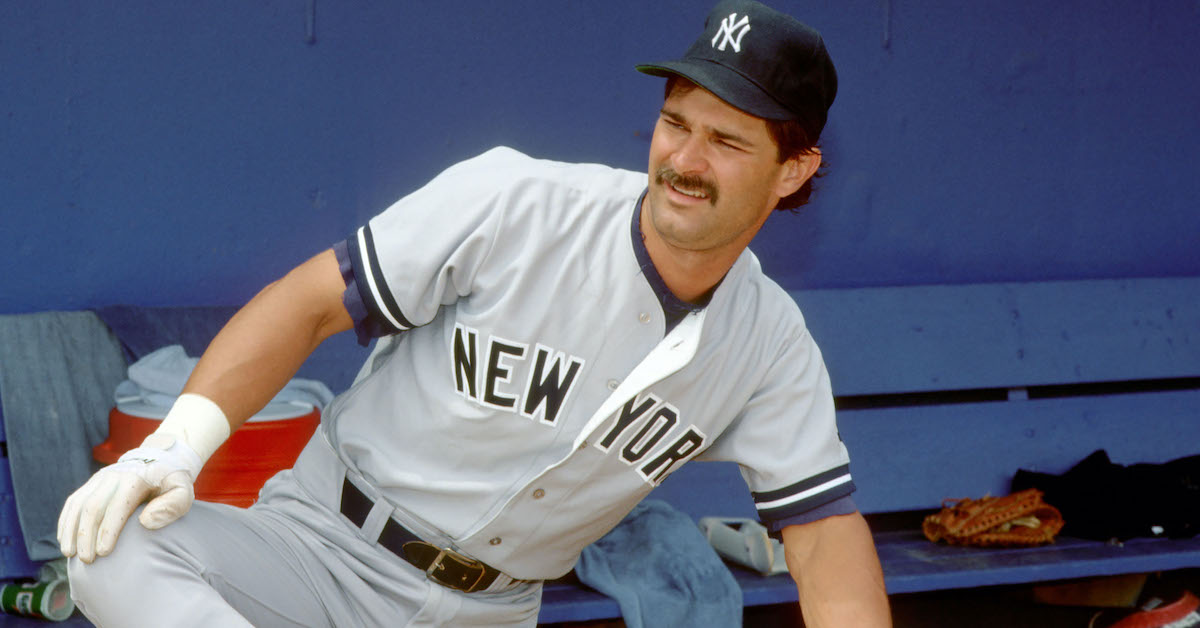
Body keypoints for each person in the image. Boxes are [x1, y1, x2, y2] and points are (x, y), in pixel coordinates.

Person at [58, 0, 891, 625]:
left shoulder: (771, 343)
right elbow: (311, 303)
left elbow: (821, 535)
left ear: (793, 170)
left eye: (727, 141)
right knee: (113, 548)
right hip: (320, 550)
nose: (683, 157)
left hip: (492, 609)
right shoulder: (518, 201)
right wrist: (175, 447)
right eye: (676, 122)